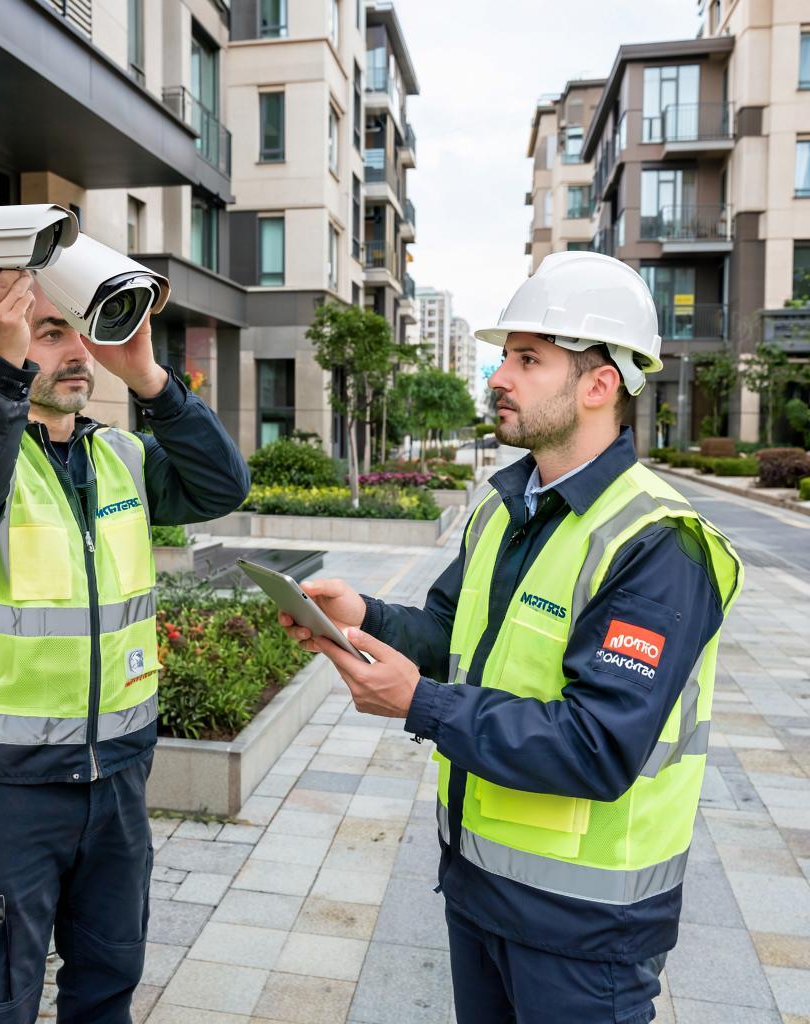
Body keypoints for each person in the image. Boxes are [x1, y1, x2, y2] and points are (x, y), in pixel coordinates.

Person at [280, 252, 743, 1024]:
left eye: (528, 360)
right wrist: (363, 613)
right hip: (478, 893)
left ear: (599, 384)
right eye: (505, 356)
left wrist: (420, 705)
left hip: (585, 931)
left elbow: (597, 744)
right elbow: (448, 633)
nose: (500, 376)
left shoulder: (660, 544)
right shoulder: (505, 507)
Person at [0, 260, 250, 1024]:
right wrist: (2, 363)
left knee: (109, 979)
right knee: (1, 999)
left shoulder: (121, 456)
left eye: (80, 334)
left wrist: (152, 379)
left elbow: (224, 487)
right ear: (1, 336)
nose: (77, 353)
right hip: (11, 792)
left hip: (119, 777)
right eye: (50, 330)